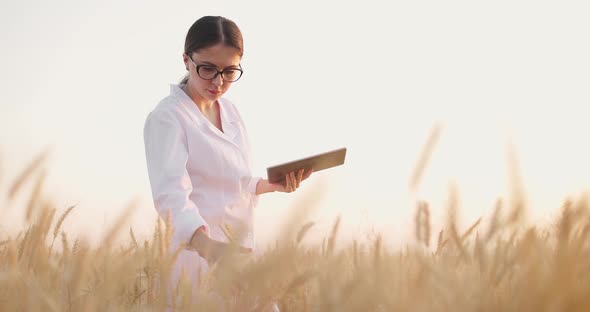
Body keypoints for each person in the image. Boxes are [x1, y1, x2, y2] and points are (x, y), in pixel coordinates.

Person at [143, 15, 312, 309]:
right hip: (198, 257)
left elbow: (235, 180)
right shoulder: (167, 118)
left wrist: (269, 185)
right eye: (207, 68)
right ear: (186, 60)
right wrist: (208, 248)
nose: (219, 81)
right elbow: (171, 197)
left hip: (240, 252)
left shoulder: (231, 111)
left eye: (229, 71)